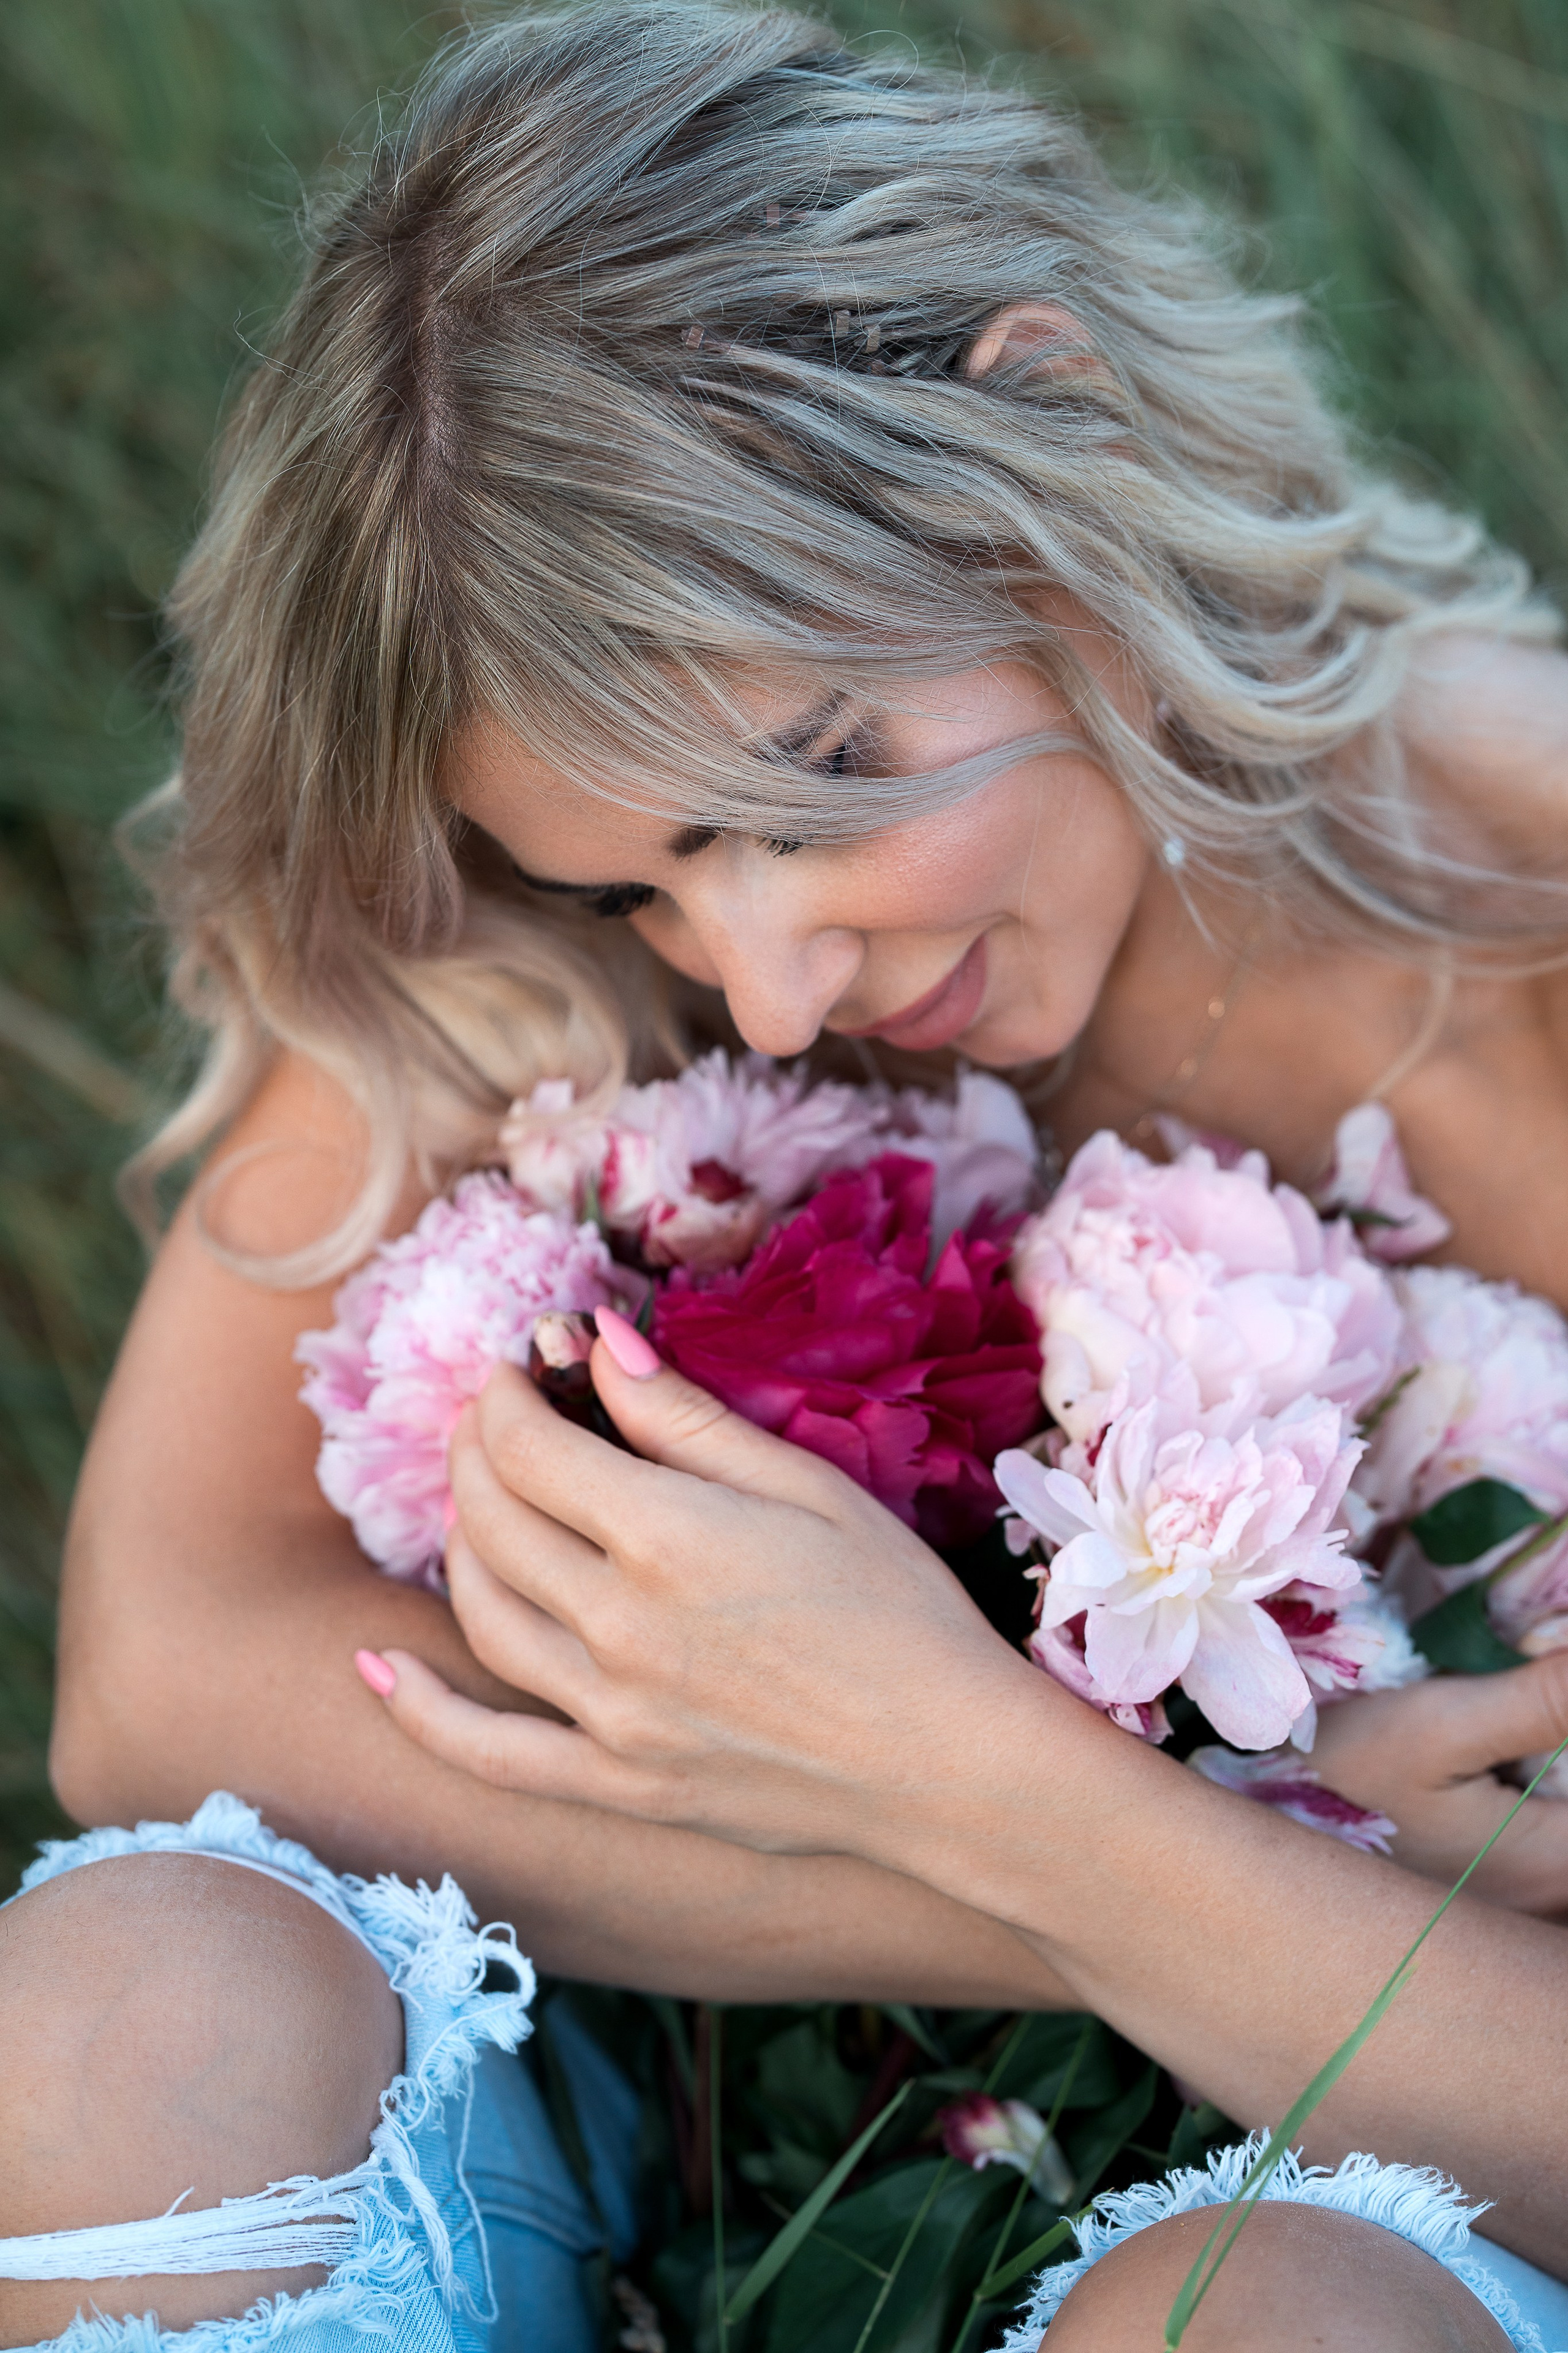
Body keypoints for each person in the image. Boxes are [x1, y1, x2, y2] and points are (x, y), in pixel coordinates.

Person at [39, 1, 1568, 2343]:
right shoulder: (548, 949)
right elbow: (160, 1683)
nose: (756, 990)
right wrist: (1092, 1826)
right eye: (656, 881)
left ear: (1050, 430)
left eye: (821, 769)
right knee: (115, 2008)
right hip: (709, 2131)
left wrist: (974, 1777)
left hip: (1404, 2217)